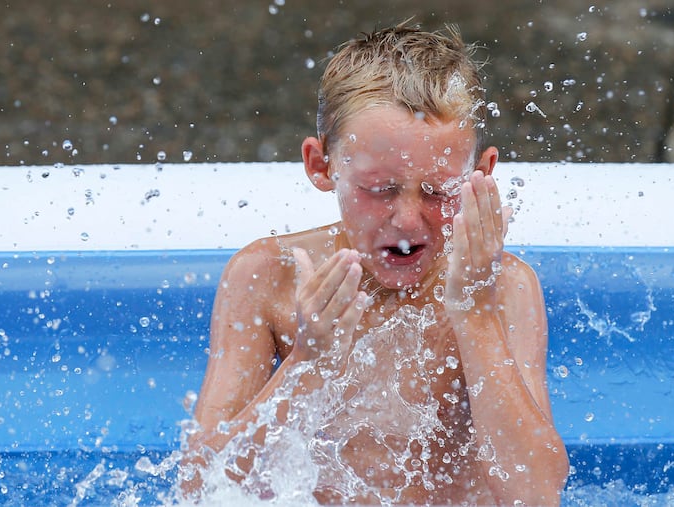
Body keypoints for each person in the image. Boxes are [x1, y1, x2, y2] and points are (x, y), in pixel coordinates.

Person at [181, 21, 568, 506]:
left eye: (438, 190)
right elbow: (199, 485)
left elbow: (536, 494)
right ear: (322, 166)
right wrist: (308, 363)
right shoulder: (267, 276)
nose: (408, 221)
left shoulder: (501, 287)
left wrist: (473, 312)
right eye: (378, 189)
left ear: (481, 176)